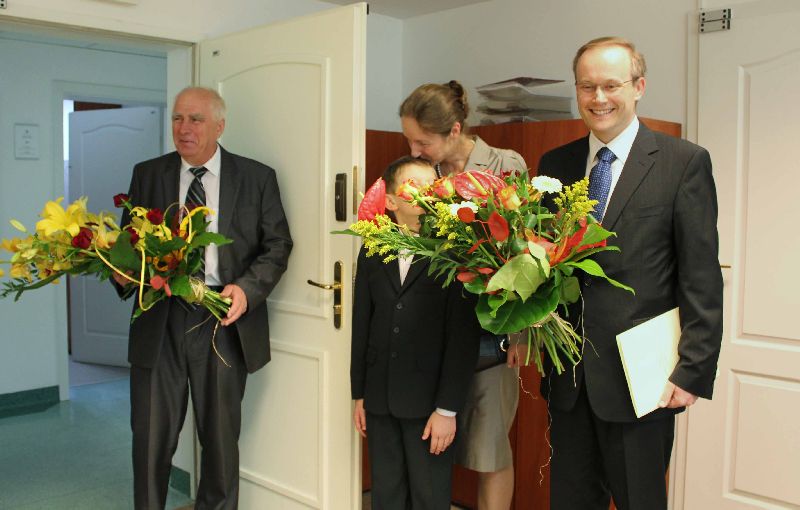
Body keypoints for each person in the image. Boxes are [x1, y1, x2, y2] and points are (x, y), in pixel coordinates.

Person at [537, 37, 723, 510]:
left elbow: (700, 276)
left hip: (644, 379)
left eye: (611, 85)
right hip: (569, 379)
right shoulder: (553, 167)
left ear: (639, 87)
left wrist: (694, 369)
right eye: (587, 87)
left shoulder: (683, 163)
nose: (599, 98)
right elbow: (541, 264)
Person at [113, 86, 293, 509]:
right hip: (160, 318)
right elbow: (127, 244)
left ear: (219, 125)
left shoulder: (256, 177)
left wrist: (247, 291)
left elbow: (278, 245)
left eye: (195, 119)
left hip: (222, 322)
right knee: (151, 439)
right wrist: (128, 274)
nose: (183, 128)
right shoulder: (148, 174)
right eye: (177, 118)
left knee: (219, 442)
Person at [399, 81, 527, 510]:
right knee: (435, 452)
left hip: (491, 334)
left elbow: (527, 252)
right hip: (434, 336)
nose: (414, 151)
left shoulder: (504, 165)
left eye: (423, 141)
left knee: (490, 452)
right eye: (409, 140)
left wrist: (523, 329)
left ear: (454, 130)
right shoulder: (422, 176)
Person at [351, 156, 482, 510]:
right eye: (413, 187)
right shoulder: (374, 249)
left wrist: (447, 409)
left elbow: (462, 338)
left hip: (429, 404)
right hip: (380, 397)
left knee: (429, 495)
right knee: (386, 493)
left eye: (432, 186)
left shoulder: (456, 251)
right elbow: (362, 322)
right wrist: (359, 393)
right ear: (391, 201)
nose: (425, 194)